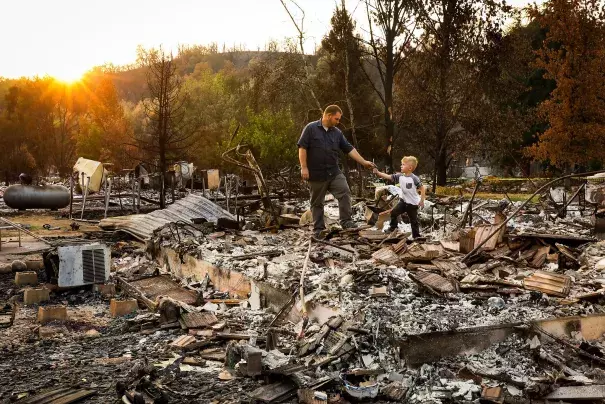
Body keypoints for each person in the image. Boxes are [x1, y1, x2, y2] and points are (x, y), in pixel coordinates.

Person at [298, 105, 375, 237]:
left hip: (333, 172)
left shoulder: (337, 133)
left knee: (344, 192)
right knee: (317, 202)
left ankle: (346, 221)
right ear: (328, 116)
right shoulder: (310, 128)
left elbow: (349, 149)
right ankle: (318, 229)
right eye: (336, 119)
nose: (338, 122)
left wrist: (363, 162)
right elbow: (302, 148)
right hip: (316, 174)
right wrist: (304, 167)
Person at [373, 156, 426, 238]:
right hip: (403, 202)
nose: (401, 166)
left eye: (403, 164)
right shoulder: (400, 176)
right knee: (394, 212)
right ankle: (393, 227)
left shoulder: (414, 178)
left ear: (410, 168)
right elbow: (388, 176)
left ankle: (416, 236)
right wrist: (378, 173)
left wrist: (422, 201)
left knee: (414, 221)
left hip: (412, 204)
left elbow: (422, 189)